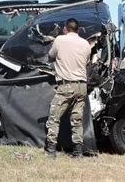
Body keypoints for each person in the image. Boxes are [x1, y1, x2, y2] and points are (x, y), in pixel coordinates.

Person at [44, 18, 91, 158]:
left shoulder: (59, 40)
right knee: (77, 120)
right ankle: (78, 152)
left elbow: (51, 56)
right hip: (82, 86)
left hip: (66, 85)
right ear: (78, 30)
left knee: (54, 118)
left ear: (65, 28)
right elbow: (86, 61)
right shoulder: (85, 44)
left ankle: (51, 151)